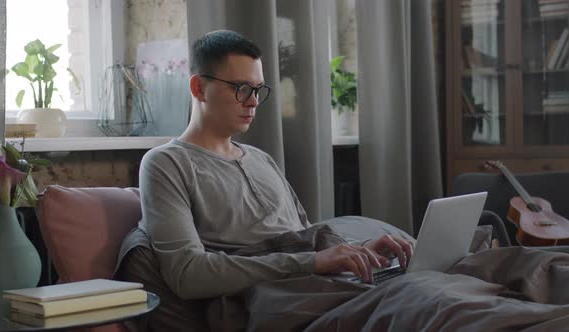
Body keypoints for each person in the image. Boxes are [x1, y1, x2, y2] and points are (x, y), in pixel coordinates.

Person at [115, 30, 413, 330]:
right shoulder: (166, 163)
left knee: (435, 279)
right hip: (280, 302)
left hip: (328, 286)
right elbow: (189, 274)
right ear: (199, 88)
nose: (253, 102)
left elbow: (303, 237)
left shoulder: (261, 159)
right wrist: (313, 262)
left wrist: (360, 251)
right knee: (428, 303)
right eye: (242, 89)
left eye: (258, 90)